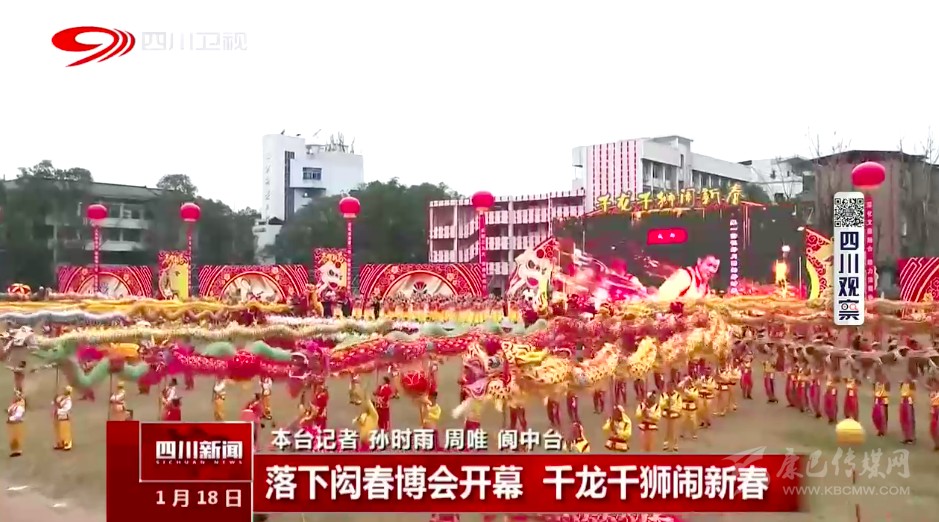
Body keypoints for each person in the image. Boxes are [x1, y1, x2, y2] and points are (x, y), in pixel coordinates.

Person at [655, 255, 721, 301]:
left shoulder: (707, 287)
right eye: (709, 265)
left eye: (715, 267)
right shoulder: (684, 276)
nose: (711, 270)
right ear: (699, 261)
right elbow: (662, 299)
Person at [53, 386, 73, 451]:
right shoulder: (61, 397)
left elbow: (66, 409)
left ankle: (67, 443)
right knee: (58, 430)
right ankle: (60, 443)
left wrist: (58, 410)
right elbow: (55, 402)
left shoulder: (68, 400)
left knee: (65, 430)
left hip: (64, 417)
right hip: (58, 417)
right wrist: (55, 399)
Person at [7, 389, 25, 457]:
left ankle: (17, 450)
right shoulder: (14, 404)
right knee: (12, 437)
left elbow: (18, 415)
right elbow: (9, 410)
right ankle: (14, 450)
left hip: (17, 423)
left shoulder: (20, 406)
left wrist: (11, 418)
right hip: (12, 423)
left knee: (16, 437)